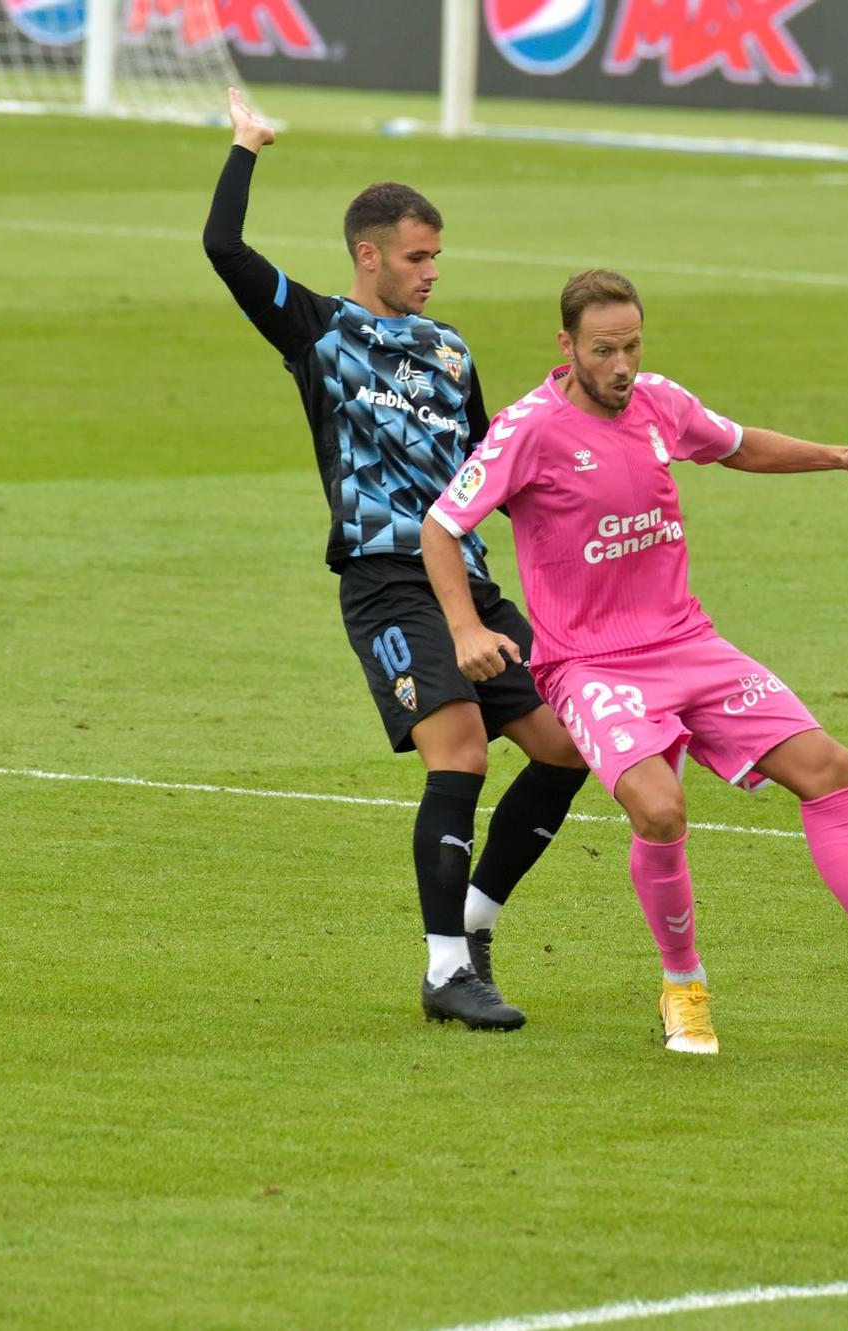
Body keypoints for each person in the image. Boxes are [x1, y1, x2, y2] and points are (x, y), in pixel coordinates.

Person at [419, 268, 848, 1055]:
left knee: (829, 766)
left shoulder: (661, 400)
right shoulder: (527, 429)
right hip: (590, 666)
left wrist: (841, 458)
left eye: (632, 344)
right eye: (605, 349)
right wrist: (464, 628)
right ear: (566, 346)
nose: (623, 364)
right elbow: (441, 524)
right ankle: (683, 988)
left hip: (688, 643)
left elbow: (735, 446)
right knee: (661, 810)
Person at [201, 88, 587, 1032]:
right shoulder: (319, 330)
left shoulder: (450, 351)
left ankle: (474, 918)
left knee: (567, 749)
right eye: (417, 257)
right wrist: (248, 146)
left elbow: (493, 459)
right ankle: (446, 971)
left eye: (437, 258)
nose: (431, 274)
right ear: (368, 254)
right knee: (456, 750)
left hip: (470, 579)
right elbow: (225, 250)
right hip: (385, 580)